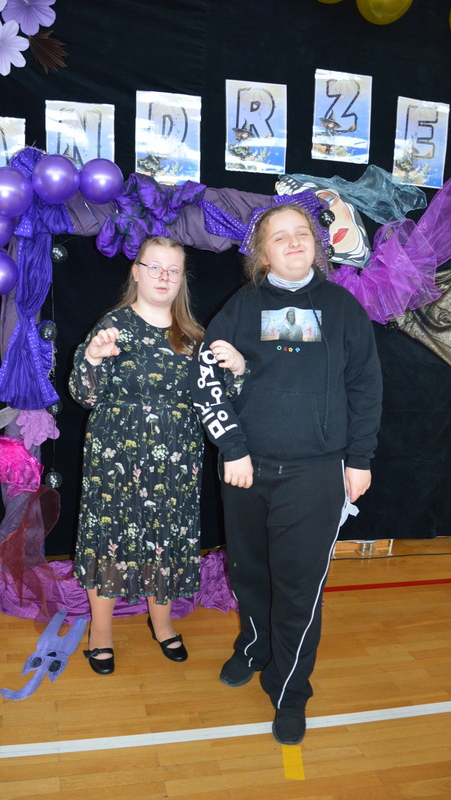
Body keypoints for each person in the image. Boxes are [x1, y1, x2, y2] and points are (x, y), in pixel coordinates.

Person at [190, 197, 382, 745]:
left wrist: (359, 459)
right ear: (261, 254)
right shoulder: (241, 306)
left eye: (302, 233)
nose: (294, 242)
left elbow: (365, 388)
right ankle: (253, 647)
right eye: (280, 236)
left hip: (316, 474)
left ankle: (290, 688)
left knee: (298, 589)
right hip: (247, 471)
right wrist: (232, 448)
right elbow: (208, 379)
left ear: (317, 246)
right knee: (249, 575)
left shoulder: (344, 308)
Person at [69, 235, 241, 676]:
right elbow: (83, 395)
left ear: (182, 278)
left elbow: (221, 401)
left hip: (176, 461)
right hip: (114, 459)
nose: (163, 277)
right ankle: (100, 633)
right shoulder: (112, 326)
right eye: (154, 267)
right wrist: (93, 358)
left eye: (173, 270)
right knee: (109, 539)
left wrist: (238, 370)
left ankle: (162, 624)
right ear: (136, 271)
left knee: (165, 540)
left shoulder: (195, 337)